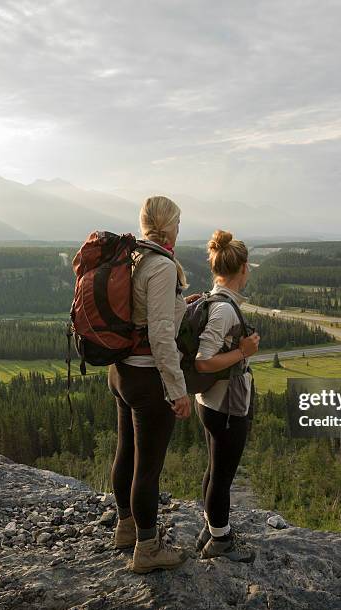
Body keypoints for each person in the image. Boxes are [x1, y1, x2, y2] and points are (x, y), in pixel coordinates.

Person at [107, 195, 200, 574]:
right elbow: (161, 335)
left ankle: (126, 528)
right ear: (168, 225)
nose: (180, 229)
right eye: (178, 223)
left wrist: (179, 305)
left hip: (122, 372)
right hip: (149, 377)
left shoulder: (133, 257)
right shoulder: (161, 266)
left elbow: (149, 314)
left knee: (126, 451)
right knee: (148, 467)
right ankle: (148, 548)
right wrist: (177, 390)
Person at [193, 229, 260, 562]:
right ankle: (220, 541)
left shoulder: (215, 300)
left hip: (211, 402)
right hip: (225, 407)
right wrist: (243, 351)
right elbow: (203, 361)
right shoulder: (225, 310)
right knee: (222, 476)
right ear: (243, 268)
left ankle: (211, 527)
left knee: (214, 469)